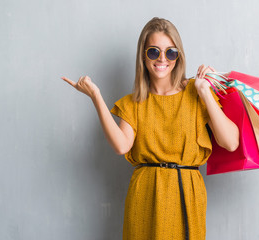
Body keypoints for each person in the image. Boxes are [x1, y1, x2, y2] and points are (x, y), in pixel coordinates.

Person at [62, 17, 239, 240]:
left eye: (170, 52)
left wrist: (205, 91)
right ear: (143, 56)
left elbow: (231, 142)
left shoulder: (197, 92)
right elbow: (121, 146)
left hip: (186, 192)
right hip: (146, 195)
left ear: (179, 55)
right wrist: (96, 96)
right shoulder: (133, 103)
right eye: (154, 52)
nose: (162, 59)